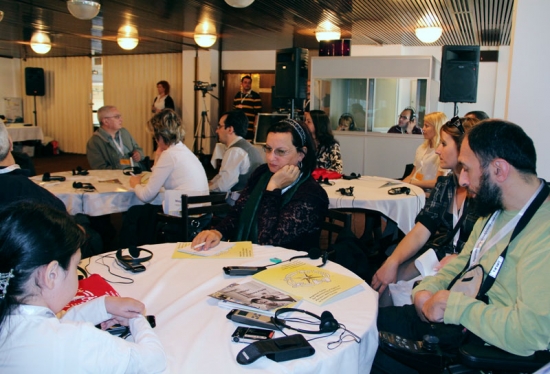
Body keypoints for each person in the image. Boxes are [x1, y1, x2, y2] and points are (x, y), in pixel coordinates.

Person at [373, 120, 550, 373]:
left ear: (499, 170)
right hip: (451, 323)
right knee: (360, 326)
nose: (463, 180)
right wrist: (425, 291)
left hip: (477, 347)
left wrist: (450, 305)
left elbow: (530, 334)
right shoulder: (495, 212)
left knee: (366, 351)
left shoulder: (543, 234)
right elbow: (463, 262)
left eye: (467, 169)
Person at [0, 202, 166, 372]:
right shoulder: (77, 342)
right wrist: (137, 320)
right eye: (75, 266)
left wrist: (102, 306)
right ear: (52, 275)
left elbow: (51, 325)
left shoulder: (11, 319)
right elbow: (153, 361)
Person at [372, 116, 481, 306]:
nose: (438, 150)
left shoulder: (482, 193)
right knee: (384, 282)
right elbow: (422, 229)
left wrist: (462, 259)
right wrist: (392, 261)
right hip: (437, 256)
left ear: (463, 149)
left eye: (444, 144)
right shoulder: (445, 185)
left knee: (413, 297)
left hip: (467, 267)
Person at [192, 119, 329, 251]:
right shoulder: (262, 173)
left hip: (289, 268)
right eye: (268, 149)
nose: (270, 157)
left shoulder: (312, 195)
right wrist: (218, 232)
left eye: (281, 151)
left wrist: (273, 188)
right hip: (249, 259)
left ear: (301, 154)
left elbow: (268, 241)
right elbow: (238, 211)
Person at [130, 109, 209, 203]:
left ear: (160, 136)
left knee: (135, 212)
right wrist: (158, 156)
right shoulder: (183, 150)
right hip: (202, 212)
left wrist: (135, 184)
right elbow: (158, 178)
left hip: (185, 214)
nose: (155, 140)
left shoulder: (169, 155)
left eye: (155, 137)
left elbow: (146, 196)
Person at [209, 110, 263, 201]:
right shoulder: (246, 147)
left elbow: (223, 187)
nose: (217, 130)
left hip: (238, 206)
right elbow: (222, 176)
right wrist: (210, 183)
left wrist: (203, 189)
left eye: (220, 126)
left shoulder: (235, 151)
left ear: (230, 129)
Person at [87, 106, 146, 170]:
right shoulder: (94, 142)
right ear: (106, 121)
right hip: (119, 177)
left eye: (120, 116)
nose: (121, 119)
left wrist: (139, 154)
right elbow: (100, 169)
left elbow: (138, 148)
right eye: (117, 117)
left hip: (137, 171)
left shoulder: (124, 132)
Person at [402, 111, 448, 190]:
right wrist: (400, 185)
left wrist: (412, 183)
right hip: (415, 188)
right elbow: (413, 174)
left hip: (430, 192)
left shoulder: (443, 152)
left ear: (437, 128)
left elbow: (438, 182)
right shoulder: (421, 148)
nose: (423, 129)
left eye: (427, 126)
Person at [233, 75, 262, 140]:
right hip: (238, 127)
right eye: (245, 82)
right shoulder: (237, 95)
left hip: (250, 127)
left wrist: (255, 127)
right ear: (241, 84)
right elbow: (234, 111)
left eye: (249, 83)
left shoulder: (255, 96)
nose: (247, 84)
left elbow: (258, 114)